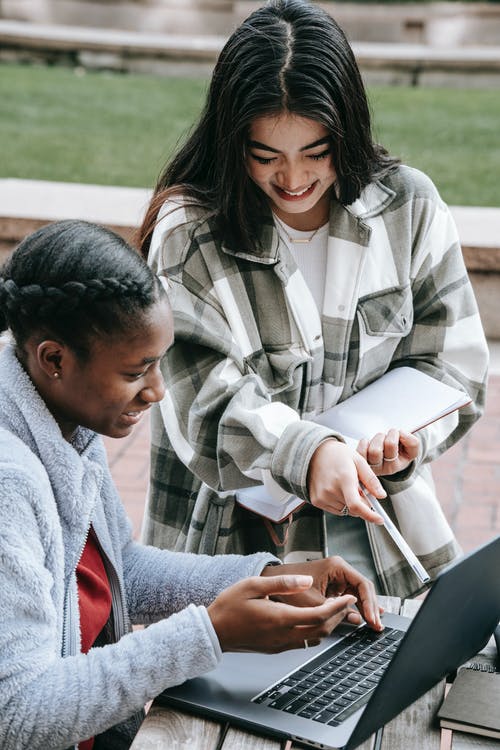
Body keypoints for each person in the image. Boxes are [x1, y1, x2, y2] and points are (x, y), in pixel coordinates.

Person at [138, 0, 488, 598]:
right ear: (231, 141)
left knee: (417, 681)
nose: (293, 178)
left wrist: (407, 441)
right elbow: (202, 404)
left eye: (316, 152)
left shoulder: (410, 207)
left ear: (346, 131)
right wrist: (309, 454)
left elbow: (454, 363)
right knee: (239, 694)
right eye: (265, 156)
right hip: (234, 556)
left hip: (387, 537)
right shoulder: (189, 234)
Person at [0, 219, 383, 750]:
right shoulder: (9, 485)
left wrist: (277, 578)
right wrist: (210, 633)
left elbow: (119, 575)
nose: (158, 391)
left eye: (160, 363)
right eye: (136, 372)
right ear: (54, 359)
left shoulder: (61, 421)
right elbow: (18, 714)